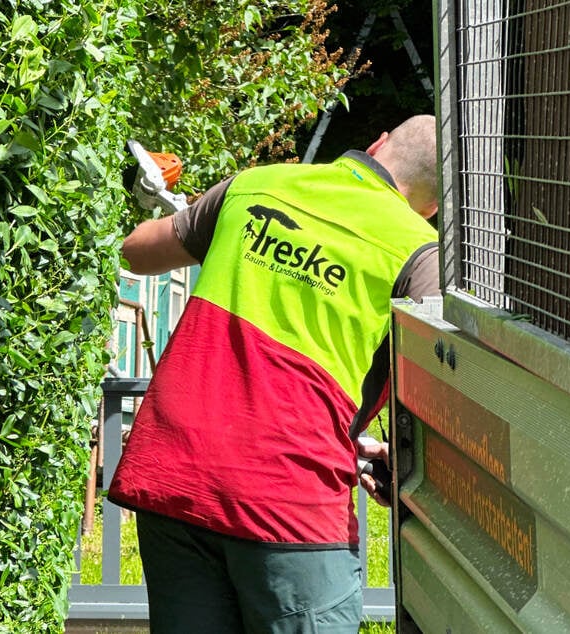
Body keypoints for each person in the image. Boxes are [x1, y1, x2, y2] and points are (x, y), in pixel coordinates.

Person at [108, 115, 441, 634]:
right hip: (289, 501)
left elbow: (136, 250)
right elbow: (438, 388)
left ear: (378, 144)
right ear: (432, 208)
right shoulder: (420, 252)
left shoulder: (257, 184)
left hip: (178, 476)